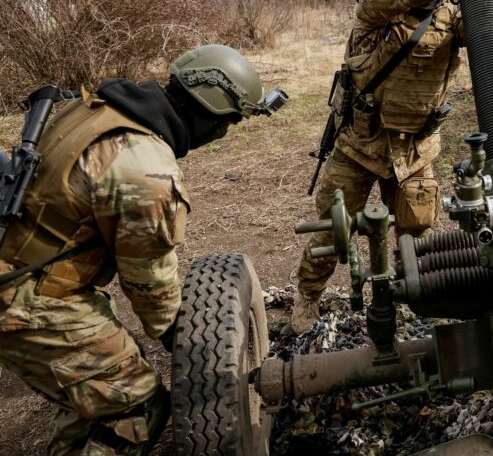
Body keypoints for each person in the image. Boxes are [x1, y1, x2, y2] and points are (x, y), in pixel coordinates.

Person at [0, 44, 285, 455]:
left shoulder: (98, 109)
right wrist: (202, 348)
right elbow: (149, 288)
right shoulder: (145, 170)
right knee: (137, 407)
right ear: (211, 114)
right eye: (229, 121)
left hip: (23, 267)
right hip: (28, 301)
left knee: (93, 397)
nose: (225, 132)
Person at [291, 0, 463, 334]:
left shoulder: (451, 17)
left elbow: (487, 33)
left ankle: (413, 299)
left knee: (417, 238)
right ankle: (307, 296)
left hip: (415, 151)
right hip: (358, 146)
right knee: (331, 233)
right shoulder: (375, 9)